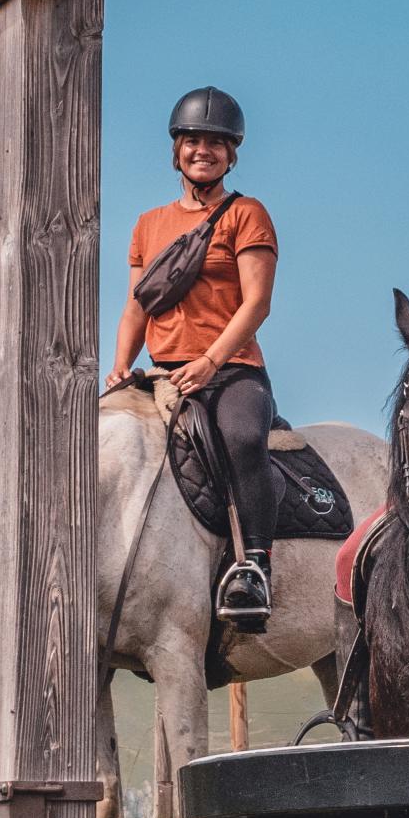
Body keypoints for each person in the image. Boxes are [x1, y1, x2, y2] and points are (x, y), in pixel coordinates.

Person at [107, 87, 280, 631]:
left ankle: (255, 565)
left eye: (215, 143)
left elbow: (257, 303)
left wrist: (209, 362)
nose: (202, 150)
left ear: (232, 154)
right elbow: (137, 306)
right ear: (176, 150)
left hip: (231, 370)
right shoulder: (148, 224)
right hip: (161, 372)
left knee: (243, 439)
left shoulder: (247, 215)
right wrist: (119, 365)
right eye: (192, 141)